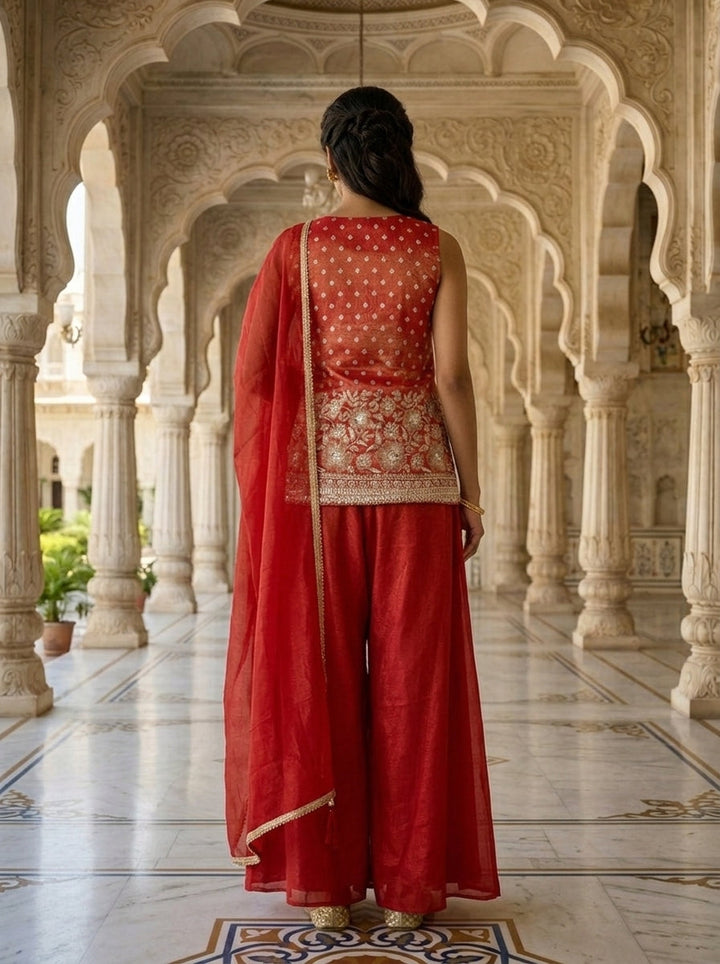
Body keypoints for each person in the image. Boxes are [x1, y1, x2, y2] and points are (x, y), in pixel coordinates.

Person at [224, 85, 499, 932]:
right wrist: (470, 487)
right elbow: (450, 377)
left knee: (322, 680)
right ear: (400, 153)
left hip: (318, 498)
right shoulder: (436, 246)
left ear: (331, 156)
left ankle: (328, 892)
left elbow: (258, 380)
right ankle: (415, 893)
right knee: (415, 688)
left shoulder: (295, 248)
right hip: (417, 487)